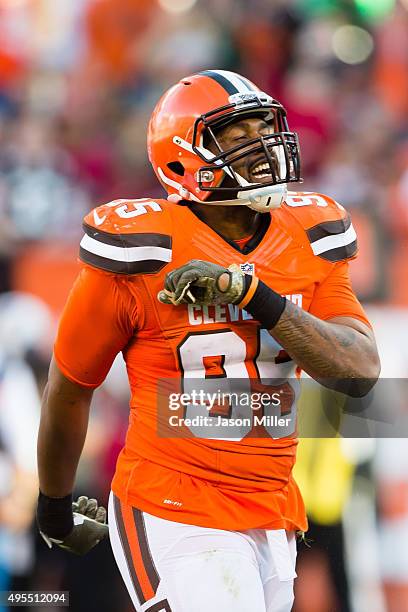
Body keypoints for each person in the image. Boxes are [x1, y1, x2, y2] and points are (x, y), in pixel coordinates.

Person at [36, 70, 380, 612]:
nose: (263, 145)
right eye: (237, 135)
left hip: (272, 507)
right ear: (181, 160)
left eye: (264, 127)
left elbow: (359, 374)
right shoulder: (140, 255)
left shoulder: (310, 236)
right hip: (173, 502)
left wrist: (256, 296)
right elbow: (70, 388)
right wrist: (53, 505)